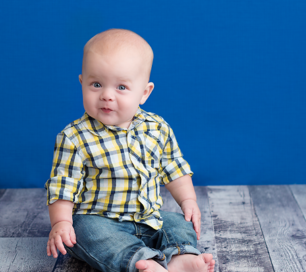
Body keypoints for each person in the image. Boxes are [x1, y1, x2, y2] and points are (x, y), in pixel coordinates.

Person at [45, 28, 215, 272]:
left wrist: (188, 200)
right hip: (100, 220)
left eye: (121, 87)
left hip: (148, 220)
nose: (106, 95)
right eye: (96, 84)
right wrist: (61, 222)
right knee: (85, 231)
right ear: (82, 83)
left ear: (144, 93)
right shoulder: (74, 137)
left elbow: (173, 167)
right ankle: (141, 262)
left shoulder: (157, 128)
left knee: (177, 222)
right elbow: (63, 184)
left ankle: (180, 257)